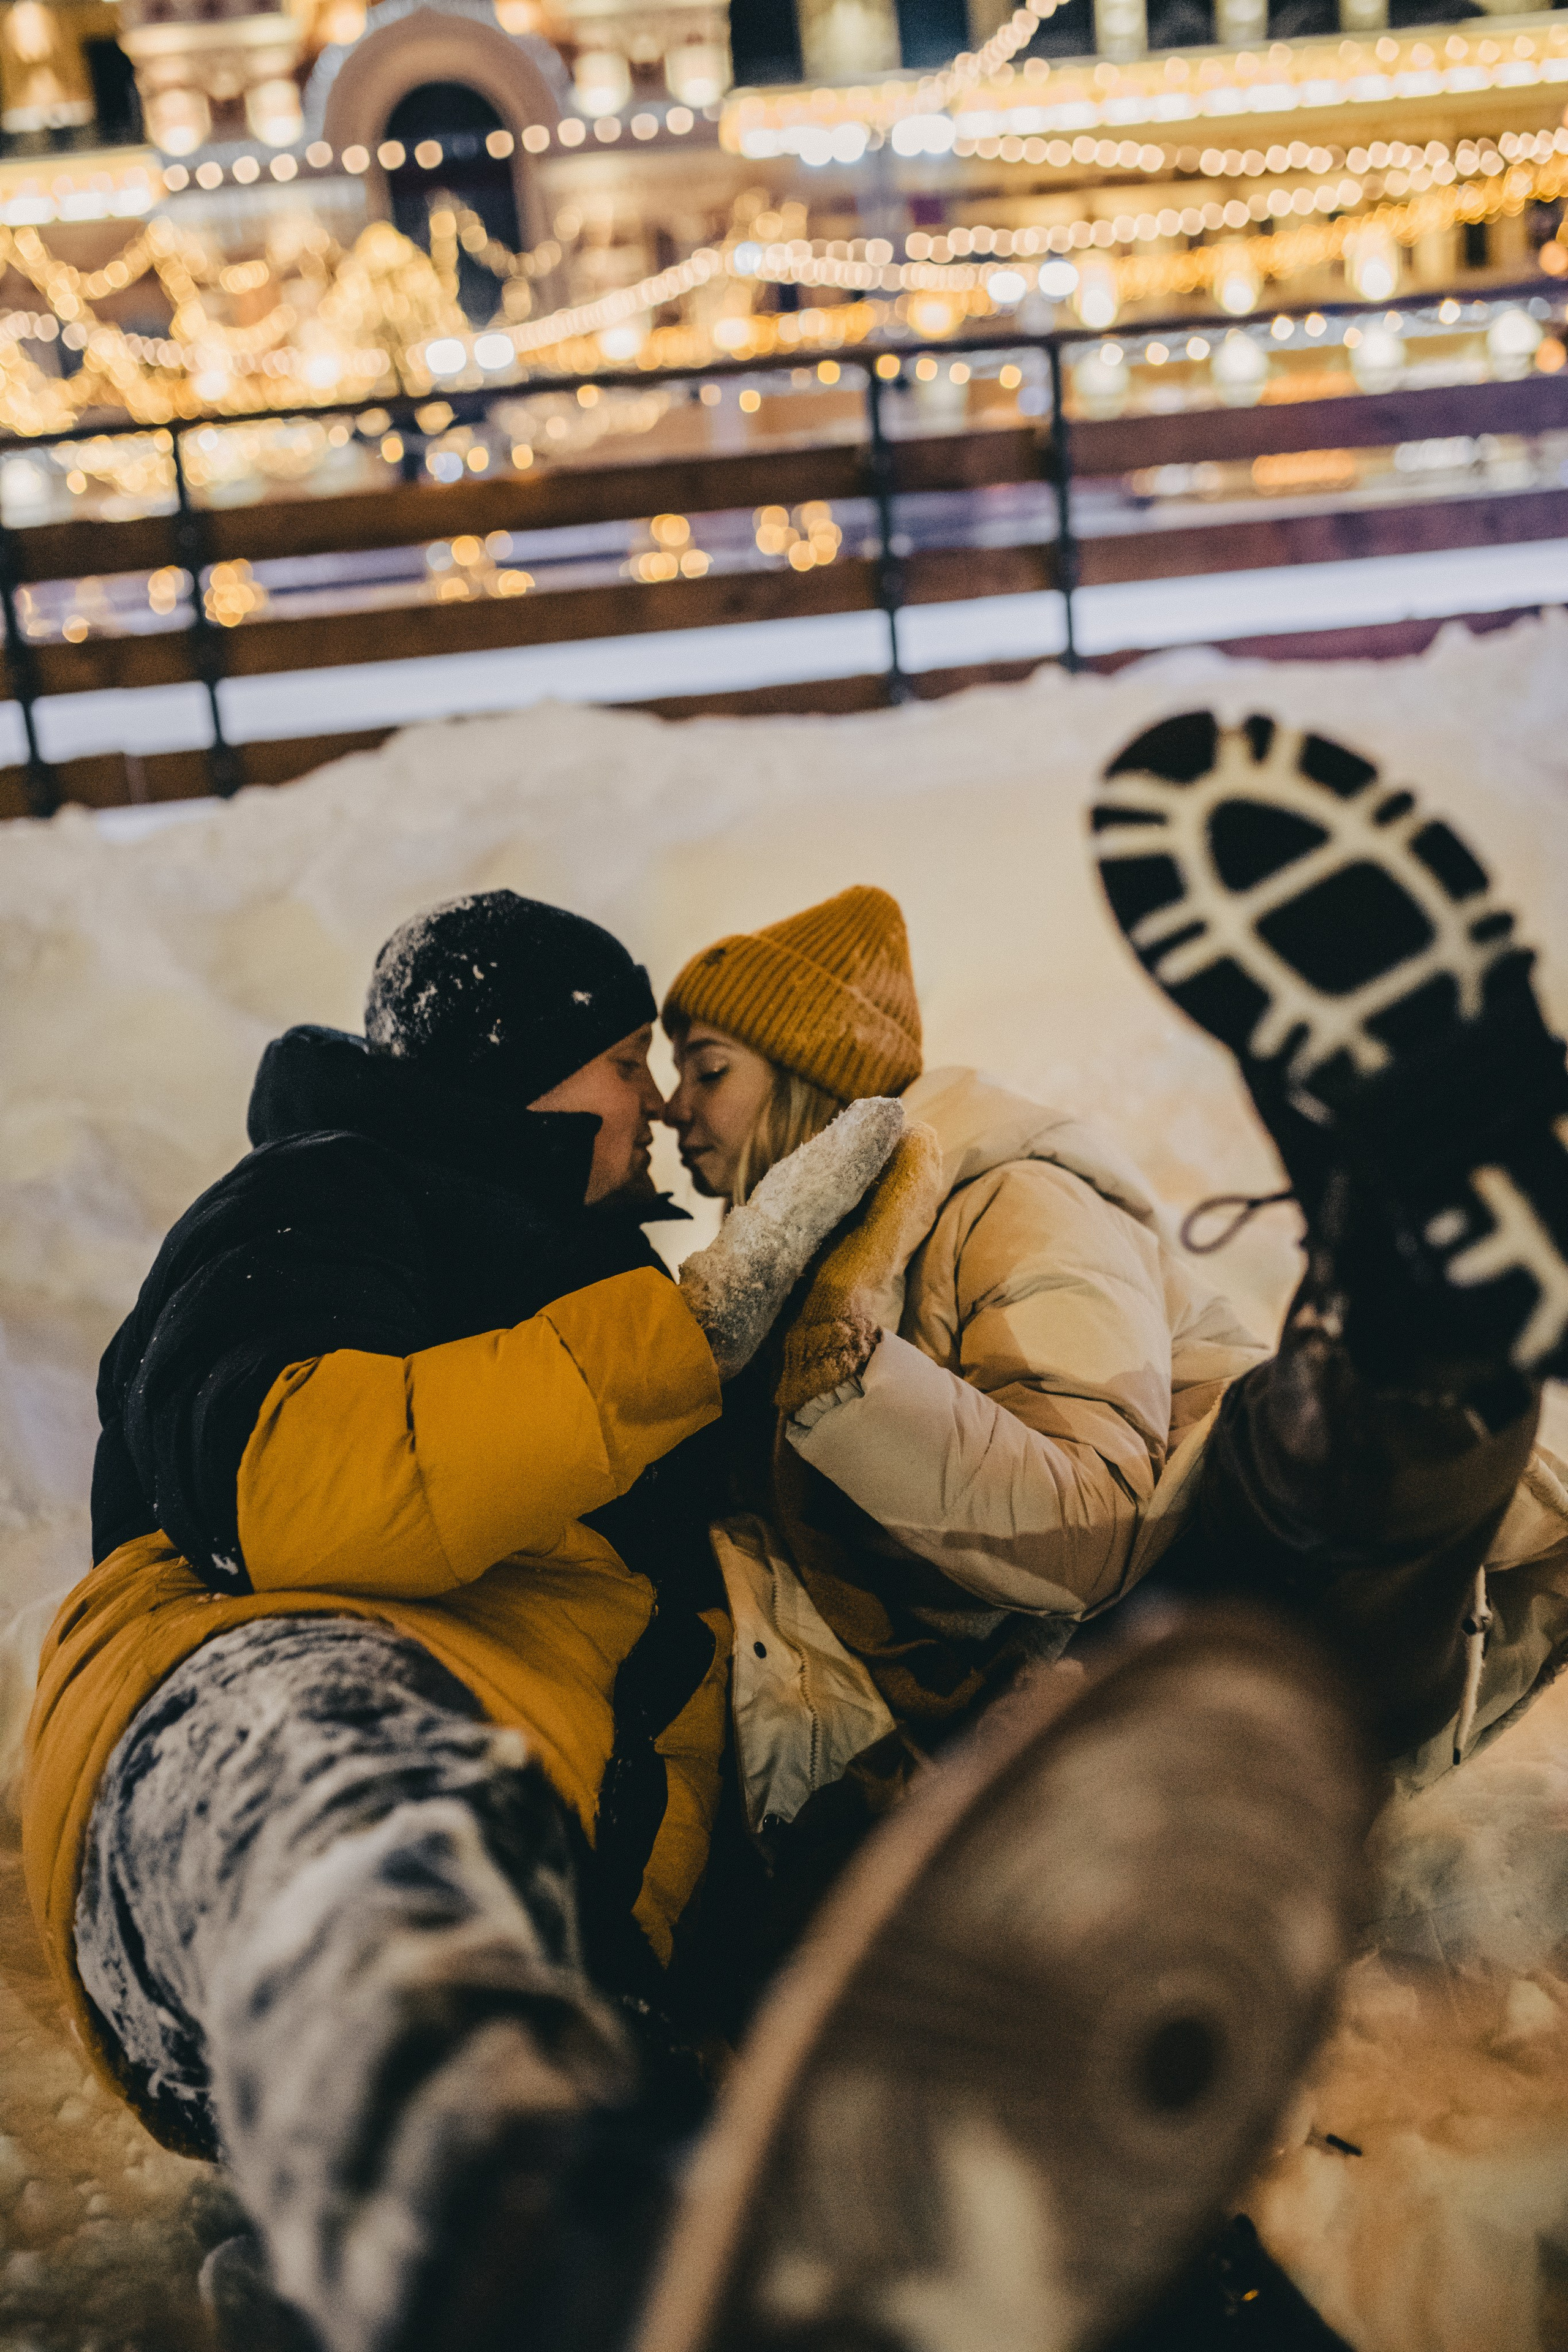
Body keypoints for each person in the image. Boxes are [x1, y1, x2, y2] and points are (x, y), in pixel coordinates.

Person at [21, 884, 1371, 2352]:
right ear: (522, 1069)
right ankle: (497, 2225)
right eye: (624, 1061)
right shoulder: (328, 1190)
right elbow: (291, 1488)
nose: (657, 1101)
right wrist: (679, 1332)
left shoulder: (617, 1267)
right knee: (364, 1820)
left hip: (572, 1854)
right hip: (248, 1709)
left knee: (847, 2105)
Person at [662, 714, 1568, 1830]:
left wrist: (847, 1380)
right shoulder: (773, 1288)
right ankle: (1414, 1231)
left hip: (1247, 1589)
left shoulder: (1006, 1195)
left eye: (708, 1070)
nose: (674, 1108)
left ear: (812, 1072)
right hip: (1087, 1735)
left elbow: (1094, 1530)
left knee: (1290, 1502)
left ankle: (1411, 1279)